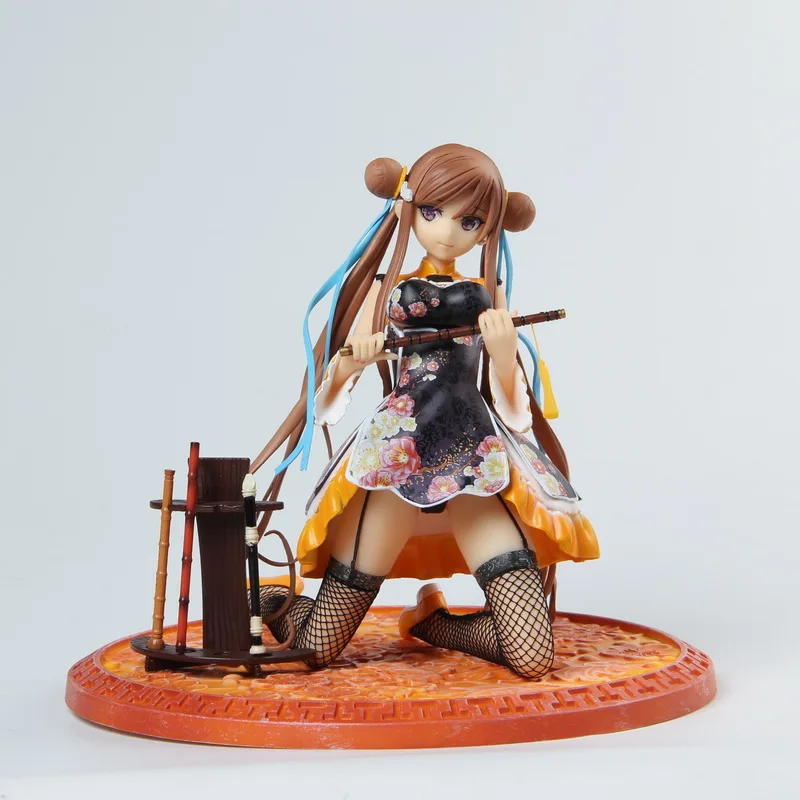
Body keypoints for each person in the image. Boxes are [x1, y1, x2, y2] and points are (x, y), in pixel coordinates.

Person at [250, 144, 599, 677]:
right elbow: (329, 393)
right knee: (316, 648)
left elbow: (513, 405)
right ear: (407, 207)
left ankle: (432, 623)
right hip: (397, 454)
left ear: (490, 228)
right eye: (432, 212)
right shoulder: (387, 287)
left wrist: (504, 353)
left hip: (476, 455)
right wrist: (354, 359)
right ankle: (273, 600)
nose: (447, 232)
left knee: (532, 655)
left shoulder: (487, 290)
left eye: (470, 221)